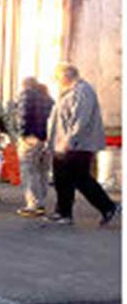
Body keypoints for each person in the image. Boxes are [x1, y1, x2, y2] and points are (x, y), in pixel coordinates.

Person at [45, 63, 120, 226]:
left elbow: (81, 119)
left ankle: (108, 207)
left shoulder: (83, 91)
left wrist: (69, 140)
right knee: (61, 179)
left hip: (78, 145)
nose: (57, 82)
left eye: (58, 78)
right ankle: (63, 212)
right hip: (62, 144)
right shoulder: (69, 92)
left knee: (80, 178)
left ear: (66, 76)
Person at [15, 77, 54, 217]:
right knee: (43, 171)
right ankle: (41, 202)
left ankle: (33, 204)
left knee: (29, 171)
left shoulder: (26, 95)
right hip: (46, 140)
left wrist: (23, 135)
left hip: (31, 139)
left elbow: (23, 116)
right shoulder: (49, 99)